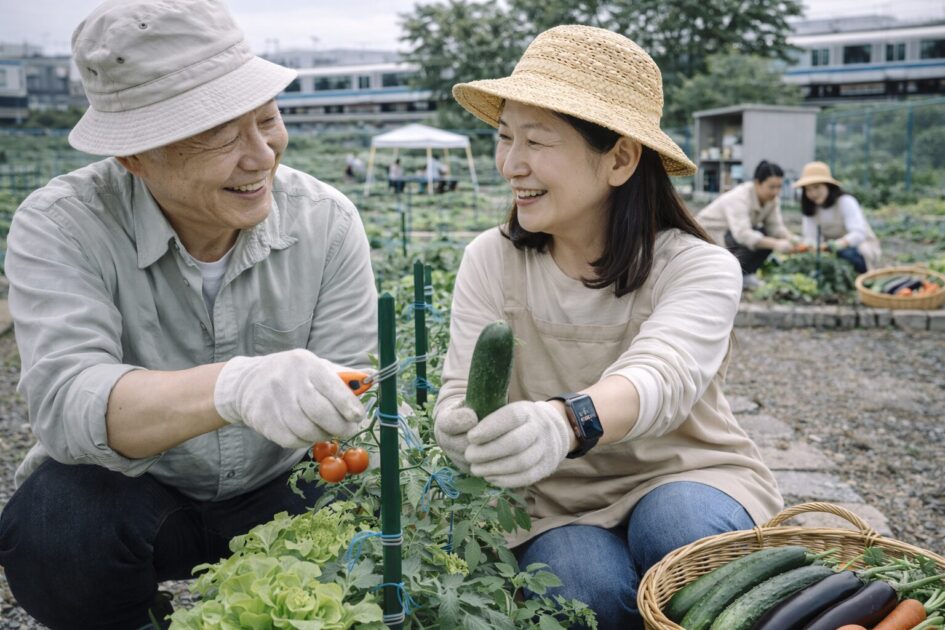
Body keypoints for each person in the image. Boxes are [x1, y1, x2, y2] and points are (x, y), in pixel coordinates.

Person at [0, 1, 377, 628]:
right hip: (145, 489)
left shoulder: (325, 220)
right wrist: (233, 386)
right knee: (53, 524)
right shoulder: (62, 224)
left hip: (284, 484)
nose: (260, 156)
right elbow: (68, 401)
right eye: (221, 136)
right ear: (134, 156)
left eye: (268, 120)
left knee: (392, 494)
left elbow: (355, 393)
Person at [435, 25, 782, 630]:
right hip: (554, 501)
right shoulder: (490, 261)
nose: (511, 164)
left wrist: (567, 421)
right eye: (504, 137)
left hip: (688, 472)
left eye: (537, 141)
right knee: (584, 595)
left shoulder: (698, 266)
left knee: (678, 532)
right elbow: (456, 393)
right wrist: (459, 432)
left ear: (620, 158)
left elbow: (662, 374)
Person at [696, 160, 799, 289]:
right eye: (772, 187)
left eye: (779, 187)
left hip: (730, 235)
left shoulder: (772, 200)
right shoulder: (740, 197)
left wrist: (791, 239)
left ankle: (745, 274)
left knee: (764, 235)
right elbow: (742, 234)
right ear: (757, 183)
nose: (776, 191)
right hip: (710, 237)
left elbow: (775, 227)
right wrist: (776, 243)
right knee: (759, 237)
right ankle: (729, 275)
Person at [794, 161, 881, 273]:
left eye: (817, 187)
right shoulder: (810, 209)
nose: (813, 193)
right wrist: (811, 246)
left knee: (847, 254)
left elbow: (859, 234)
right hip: (830, 251)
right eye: (808, 189)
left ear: (828, 186)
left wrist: (835, 245)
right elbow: (811, 236)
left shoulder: (845, 202)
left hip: (858, 248)